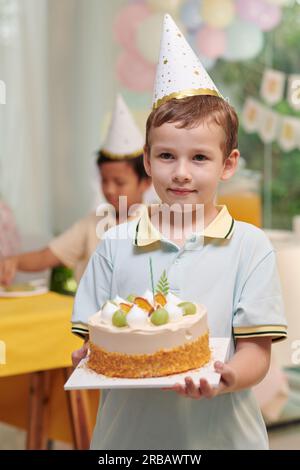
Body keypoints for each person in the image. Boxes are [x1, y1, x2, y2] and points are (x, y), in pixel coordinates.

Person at [71, 15, 287, 449]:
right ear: (147, 163)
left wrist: (225, 377)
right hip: (128, 444)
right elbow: (94, 342)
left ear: (228, 164)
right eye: (167, 155)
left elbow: (257, 354)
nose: (182, 173)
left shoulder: (250, 247)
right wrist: (85, 357)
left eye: (200, 158)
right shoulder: (114, 244)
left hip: (225, 439)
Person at [0, 94, 152, 287]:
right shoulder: (91, 224)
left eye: (119, 182)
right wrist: (13, 261)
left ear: (146, 181)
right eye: (104, 180)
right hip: (91, 314)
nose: (109, 189)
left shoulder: (156, 222)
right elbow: (46, 256)